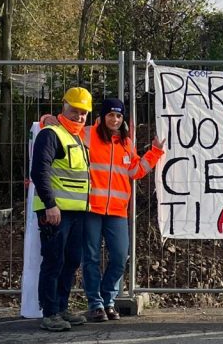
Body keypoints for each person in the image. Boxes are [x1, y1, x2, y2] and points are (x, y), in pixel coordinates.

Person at [44, 97, 164, 322]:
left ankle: (108, 298)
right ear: (102, 116)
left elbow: (135, 171)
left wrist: (155, 152)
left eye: (119, 116)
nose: (115, 119)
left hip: (117, 211)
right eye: (111, 114)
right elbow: (61, 131)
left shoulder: (126, 142)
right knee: (90, 257)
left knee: (120, 256)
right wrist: (45, 120)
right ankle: (95, 304)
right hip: (91, 208)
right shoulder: (87, 134)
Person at [31, 86, 93, 332]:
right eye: (75, 111)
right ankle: (50, 312)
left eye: (84, 113)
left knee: (70, 261)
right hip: (55, 212)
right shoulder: (51, 135)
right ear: (64, 107)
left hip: (76, 212)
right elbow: (39, 171)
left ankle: (62, 306)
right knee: (54, 260)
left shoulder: (77, 138)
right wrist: (50, 205)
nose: (79, 117)